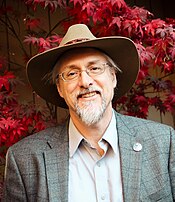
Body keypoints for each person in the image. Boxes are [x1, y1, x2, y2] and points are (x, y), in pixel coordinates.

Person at [2, 24, 175, 202]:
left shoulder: (164, 142)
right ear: (60, 89)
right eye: (71, 73)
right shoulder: (24, 159)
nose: (85, 81)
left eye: (95, 68)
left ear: (113, 77)